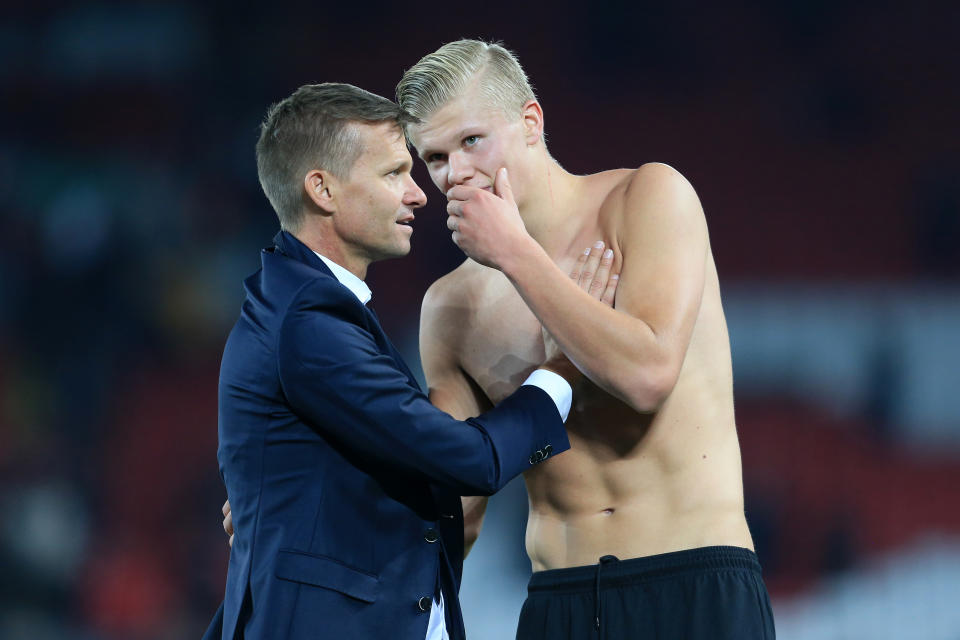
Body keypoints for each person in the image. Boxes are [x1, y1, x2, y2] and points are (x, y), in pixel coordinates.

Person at [204, 82, 619, 640]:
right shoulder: (310, 323)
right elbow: (469, 460)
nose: (419, 193)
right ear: (322, 189)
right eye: (393, 173)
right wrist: (564, 367)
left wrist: (274, 505)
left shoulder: (301, 305)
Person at [393, 39, 777, 638]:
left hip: (695, 582)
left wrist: (516, 255)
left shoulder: (648, 198)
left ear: (530, 122)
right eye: (434, 157)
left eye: (471, 141)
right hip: (559, 599)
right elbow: (454, 508)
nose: (456, 173)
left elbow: (646, 376)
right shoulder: (451, 306)